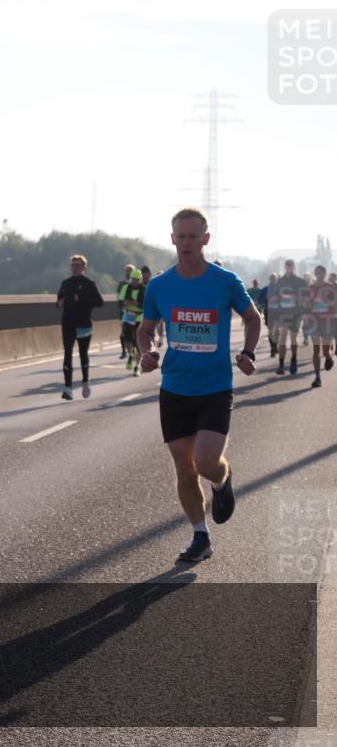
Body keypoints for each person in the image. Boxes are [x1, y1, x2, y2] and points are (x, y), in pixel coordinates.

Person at [138, 208, 260, 563]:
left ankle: (222, 480)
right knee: (184, 467)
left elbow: (253, 317)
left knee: (206, 462)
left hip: (214, 387)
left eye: (194, 236)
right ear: (172, 238)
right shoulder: (160, 286)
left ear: (206, 240)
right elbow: (145, 329)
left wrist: (248, 352)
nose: (187, 242)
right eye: (181, 236)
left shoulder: (225, 281)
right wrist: (148, 351)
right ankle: (200, 536)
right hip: (174, 387)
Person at [56, 253, 104, 399]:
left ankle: (85, 382)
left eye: (78, 265)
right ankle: (68, 388)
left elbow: (100, 302)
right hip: (68, 324)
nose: (75, 268)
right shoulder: (66, 283)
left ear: (84, 267)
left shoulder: (89, 283)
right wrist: (60, 303)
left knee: (83, 354)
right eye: (73, 265)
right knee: (67, 354)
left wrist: (81, 299)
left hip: (84, 325)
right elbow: (58, 301)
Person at [273, 260, 308, 375]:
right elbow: (276, 296)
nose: (288, 268)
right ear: (285, 267)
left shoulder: (300, 282)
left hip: (296, 313)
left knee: (293, 338)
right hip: (283, 313)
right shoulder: (281, 281)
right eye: (286, 266)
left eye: (290, 266)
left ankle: (293, 359)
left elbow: (306, 298)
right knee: (282, 337)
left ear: (293, 267)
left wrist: (297, 299)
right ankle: (281, 365)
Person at [307, 264, 336, 388]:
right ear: (315, 273)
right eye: (317, 272)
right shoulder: (310, 288)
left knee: (325, 351)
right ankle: (317, 378)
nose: (319, 275)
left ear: (324, 274)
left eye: (321, 273)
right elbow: (306, 305)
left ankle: (329, 357)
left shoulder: (331, 288)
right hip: (314, 321)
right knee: (316, 349)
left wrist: (326, 300)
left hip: (328, 321)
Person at [119, 269, 146, 376]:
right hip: (128, 316)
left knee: (138, 342)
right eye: (133, 279)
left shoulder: (144, 290)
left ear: (140, 280)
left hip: (139, 316)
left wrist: (136, 303)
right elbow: (120, 302)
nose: (134, 282)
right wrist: (125, 302)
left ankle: (137, 366)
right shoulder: (126, 288)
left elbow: (146, 304)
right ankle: (130, 355)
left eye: (137, 280)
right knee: (127, 339)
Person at [116, 264, 135, 359]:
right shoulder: (122, 283)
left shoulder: (138, 284)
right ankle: (124, 351)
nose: (128, 273)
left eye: (130, 271)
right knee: (123, 331)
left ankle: (134, 350)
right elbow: (119, 296)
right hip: (124, 311)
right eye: (127, 271)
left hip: (136, 312)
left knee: (133, 332)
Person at [262, 273, 279, 357]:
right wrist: (266, 298)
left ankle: (275, 345)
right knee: (270, 330)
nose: (273, 279)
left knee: (277, 330)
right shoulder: (266, 289)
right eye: (271, 278)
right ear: (269, 279)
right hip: (268, 311)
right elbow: (260, 299)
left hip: (278, 312)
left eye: (274, 278)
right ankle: (272, 347)